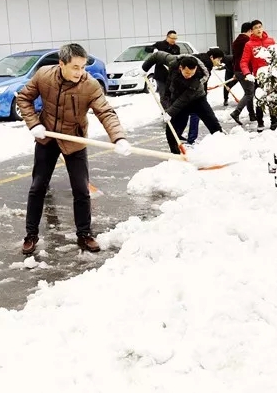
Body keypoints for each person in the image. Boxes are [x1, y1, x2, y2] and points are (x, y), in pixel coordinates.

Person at [16, 43, 131, 255]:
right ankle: (31, 235)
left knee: (81, 189)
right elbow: (23, 98)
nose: (80, 72)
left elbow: (106, 112)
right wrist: (34, 124)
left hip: (74, 139)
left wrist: (118, 137)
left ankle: (84, 234)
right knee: (38, 187)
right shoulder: (44, 75)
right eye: (75, 67)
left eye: (83, 67)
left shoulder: (90, 85)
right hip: (47, 137)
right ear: (61, 64)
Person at [154, 55, 224, 154]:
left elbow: (184, 98)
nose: (189, 75)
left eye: (192, 73)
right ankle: (175, 153)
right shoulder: (173, 62)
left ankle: (223, 146)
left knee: (212, 122)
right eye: (187, 73)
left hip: (197, 100)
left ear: (196, 69)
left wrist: (170, 112)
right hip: (177, 98)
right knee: (172, 128)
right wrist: (144, 68)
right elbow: (157, 55)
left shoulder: (198, 78)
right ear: (180, 68)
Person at [240, 19, 277, 132]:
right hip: (259, 76)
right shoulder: (249, 45)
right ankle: (260, 123)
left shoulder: (271, 41)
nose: (258, 29)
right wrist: (247, 73)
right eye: (255, 28)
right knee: (260, 99)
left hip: (271, 75)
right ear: (252, 31)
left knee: (273, 98)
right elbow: (244, 62)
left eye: (260, 26)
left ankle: (274, 121)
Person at [182, 48, 225, 144]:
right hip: (193, 92)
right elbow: (199, 80)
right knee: (196, 113)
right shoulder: (206, 65)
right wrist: (202, 92)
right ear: (211, 57)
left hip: (187, 90)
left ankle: (180, 135)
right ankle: (191, 139)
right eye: (218, 59)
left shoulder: (201, 58)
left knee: (186, 113)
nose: (219, 62)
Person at [230, 21, 257, 125]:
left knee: (248, 92)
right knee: (250, 93)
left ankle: (252, 115)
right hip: (245, 70)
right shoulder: (247, 41)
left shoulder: (236, 41)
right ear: (250, 30)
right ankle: (236, 112)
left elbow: (234, 58)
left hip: (237, 70)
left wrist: (235, 71)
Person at [151, 30, 181, 103]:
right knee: (163, 94)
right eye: (172, 38)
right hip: (161, 74)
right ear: (167, 37)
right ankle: (164, 108)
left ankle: (171, 108)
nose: (174, 40)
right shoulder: (159, 44)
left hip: (172, 75)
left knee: (172, 93)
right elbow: (147, 49)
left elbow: (178, 60)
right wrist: (154, 49)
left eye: (175, 38)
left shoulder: (176, 48)